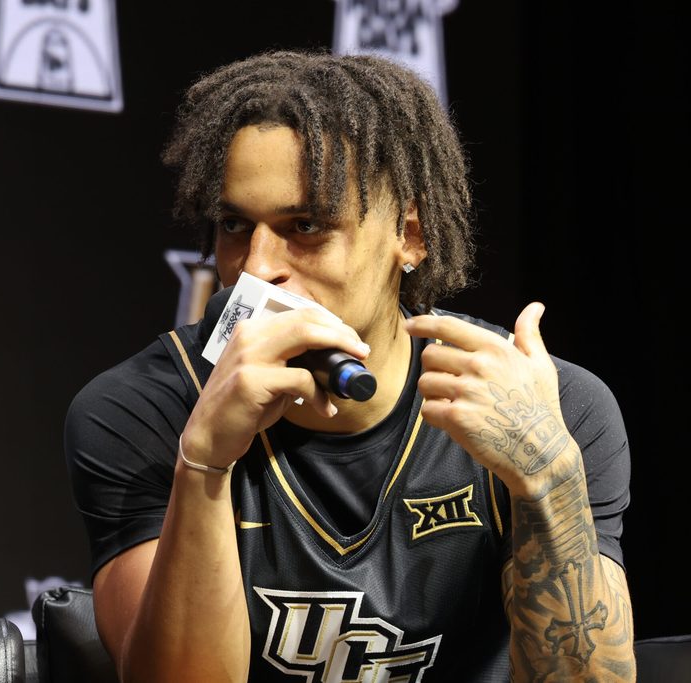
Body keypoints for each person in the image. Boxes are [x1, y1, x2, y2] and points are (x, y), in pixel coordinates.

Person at [64, 49, 634, 682]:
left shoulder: (550, 407)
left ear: (410, 236)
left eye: (306, 225)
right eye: (233, 224)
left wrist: (548, 477)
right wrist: (204, 456)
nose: (257, 268)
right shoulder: (142, 408)